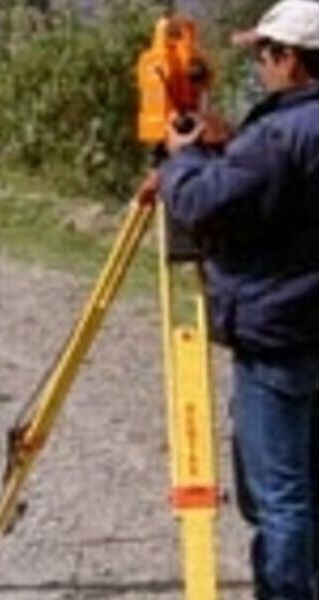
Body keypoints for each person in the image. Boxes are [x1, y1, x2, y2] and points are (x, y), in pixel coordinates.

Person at [158, 1, 319, 598]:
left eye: (264, 54)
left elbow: (203, 203)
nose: (259, 66)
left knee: (278, 497)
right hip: (309, 322)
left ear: (292, 59)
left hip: (276, 334)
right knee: (306, 484)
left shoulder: (279, 135)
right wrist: (233, 146)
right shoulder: (282, 131)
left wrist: (185, 159)